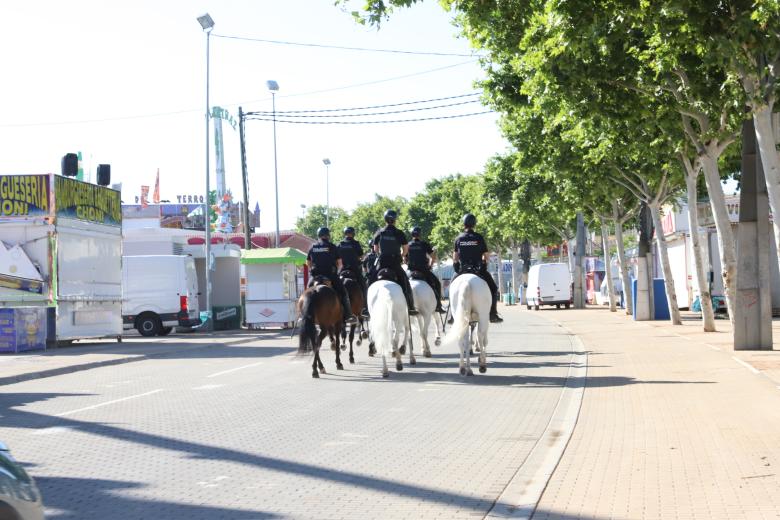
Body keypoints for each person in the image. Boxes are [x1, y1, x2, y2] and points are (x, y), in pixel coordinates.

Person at [452, 213, 503, 323]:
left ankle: (452, 316)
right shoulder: (479, 237)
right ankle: (493, 313)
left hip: (463, 270)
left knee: (453, 286)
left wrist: (456, 266)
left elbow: (455, 257)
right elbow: (486, 255)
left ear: (464, 224)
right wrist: (484, 264)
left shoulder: (458, 238)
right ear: (474, 224)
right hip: (477, 269)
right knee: (493, 289)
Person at [306, 227, 357, 325]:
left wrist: (311, 270)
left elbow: (308, 262)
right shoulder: (332, 246)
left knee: (307, 292)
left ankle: (303, 315)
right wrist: (336, 271)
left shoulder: (313, 247)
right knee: (343, 293)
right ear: (328, 236)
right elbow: (339, 263)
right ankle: (349, 315)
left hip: (315, 276)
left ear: (319, 235)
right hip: (330, 275)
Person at [373, 210, 418, 316]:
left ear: (385, 219)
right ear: (395, 220)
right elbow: (406, 248)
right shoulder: (399, 233)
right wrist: (402, 255)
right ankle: (410, 306)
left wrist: (381, 253)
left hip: (382, 262)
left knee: (370, 279)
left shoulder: (379, 232)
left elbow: (375, 249)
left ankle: (366, 308)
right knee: (405, 283)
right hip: (395, 263)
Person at [405, 226, 445, 313]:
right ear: (420, 234)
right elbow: (432, 257)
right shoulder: (424, 244)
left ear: (411, 234)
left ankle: (406, 306)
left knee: (403, 285)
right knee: (437, 283)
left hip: (411, 271)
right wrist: (430, 264)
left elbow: (405, 259)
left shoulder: (408, 245)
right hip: (423, 270)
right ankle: (438, 305)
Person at [337, 226, 368, 317]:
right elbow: (361, 257)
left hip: (342, 270)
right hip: (354, 270)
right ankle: (365, 308)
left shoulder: (340, 244)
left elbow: (336, 258)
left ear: (344, 233)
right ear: (353, 234)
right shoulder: (355, 243)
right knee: (363, 286)